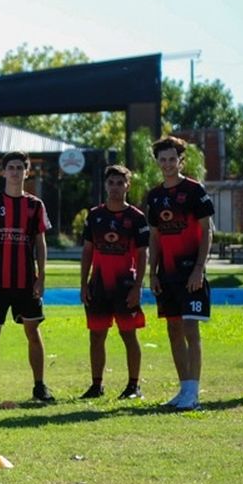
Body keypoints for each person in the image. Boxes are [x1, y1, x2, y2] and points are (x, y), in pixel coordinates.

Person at [0, 151, 53, 404]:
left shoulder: (35, 205)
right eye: (11, 167)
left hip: (26, 282)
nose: (16, 171)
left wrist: (41, 277)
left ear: (27, 172)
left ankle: (40, 386)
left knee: (33, 331)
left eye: (20, 167)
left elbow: (40, 243)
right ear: (4, 171)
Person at [146, 135, 214, 411]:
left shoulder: (195, 190)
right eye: (163, 160)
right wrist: (153, 272)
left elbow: (208, 230)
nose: (168, 164)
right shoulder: (154, 195)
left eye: (172, 159)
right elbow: (154, 236)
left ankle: (194, 392)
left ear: (180, 160)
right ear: (158, 162)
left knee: (190, 329)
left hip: (190, 273)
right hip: (167, 274)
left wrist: (199, 268)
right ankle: (183, 388)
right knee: (173, 329)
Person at [79, 164, 149, 400]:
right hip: (98, 285)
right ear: (106, 185)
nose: (115, 187)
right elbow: (87, 250)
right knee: (96, 335)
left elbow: (142, 255)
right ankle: (96, 385)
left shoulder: (136, 218)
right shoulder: (95, 215)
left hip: (124, 286)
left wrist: (138, 287)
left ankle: (133, 386)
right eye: (111, 183)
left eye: (120, 183)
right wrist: (83, 283)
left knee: (129, 335)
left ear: (128, 186)